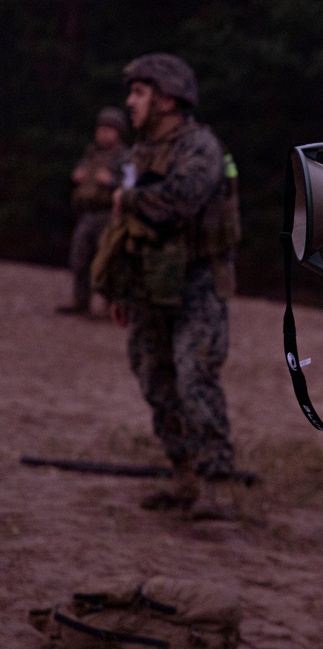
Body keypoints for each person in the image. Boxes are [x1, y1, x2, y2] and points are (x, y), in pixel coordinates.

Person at [106, 53, 242, 518]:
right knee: (154, 378)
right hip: (148, 286)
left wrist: (129, 197)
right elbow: (122, 227)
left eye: (139, 93)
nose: (130, 102)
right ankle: (184, 477)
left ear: (167, 99)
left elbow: (178, 201)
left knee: (194, 378)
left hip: (197, 284)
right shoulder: (137, 152)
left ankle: (216, 487)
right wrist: (119, 290)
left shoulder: (200, 147)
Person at [56, 106, 129, 316]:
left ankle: (109, 304)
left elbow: (132, 184)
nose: (103, 133)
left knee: (107, 260)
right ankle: (81, 299)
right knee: (79, 257)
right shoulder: (92, 154)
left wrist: (113, 182)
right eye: (101, 128)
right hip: (87, 213)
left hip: (109, 214)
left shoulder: (124, 157)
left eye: (109, 128)